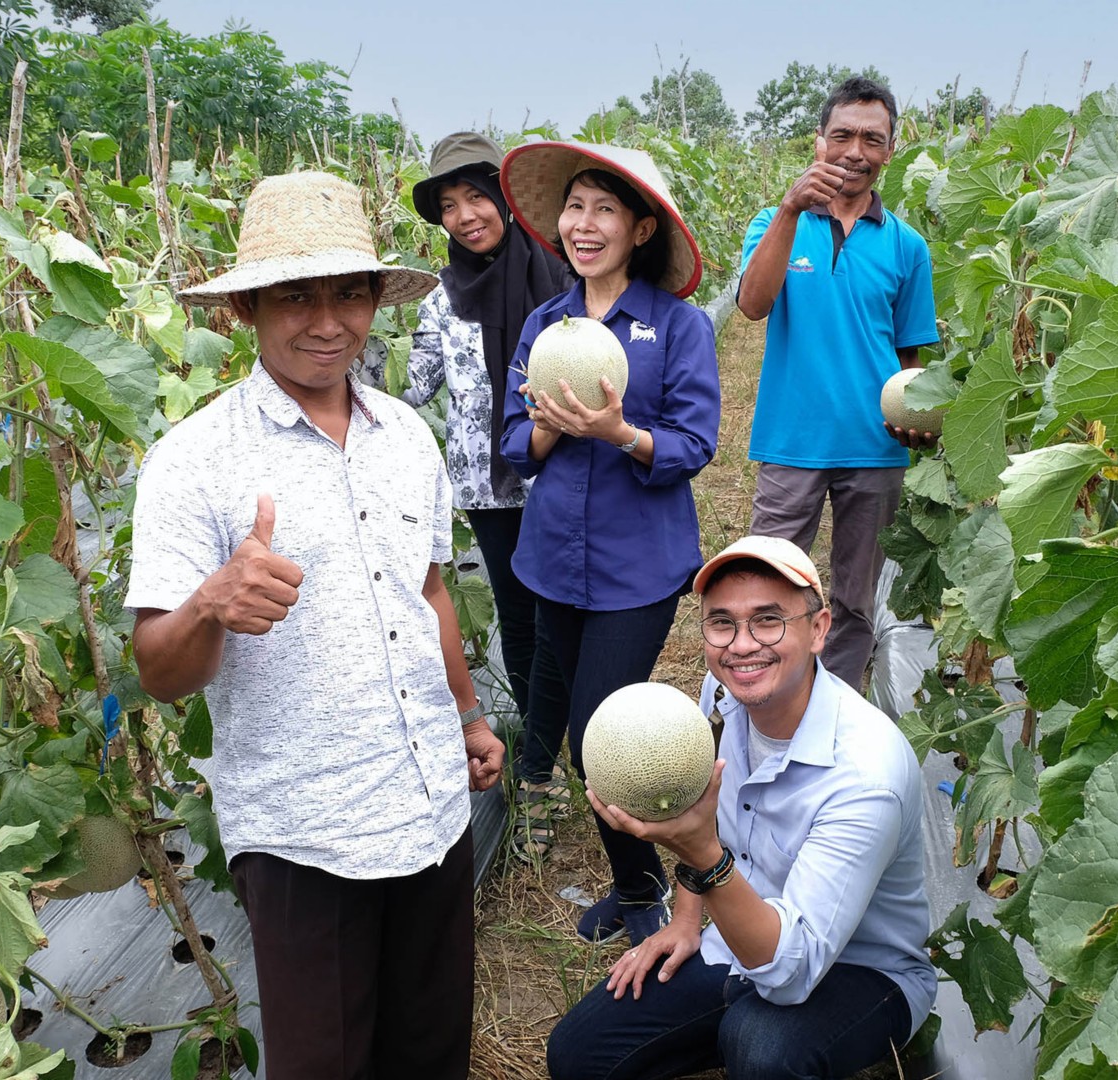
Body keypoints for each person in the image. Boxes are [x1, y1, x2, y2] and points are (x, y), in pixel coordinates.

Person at [126, 170, 506, 1080]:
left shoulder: (406, 436)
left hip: (429, 808)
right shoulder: (193, 462)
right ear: (246, 310)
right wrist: (212, 603)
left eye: (347, 292)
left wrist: (467, 716)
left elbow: (430, 594)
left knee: (429, 1051)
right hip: (306, 831)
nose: (326, 320)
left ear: (377, 300)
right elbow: (158, 671)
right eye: (295, 296)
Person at [546, 535, 936, 1080]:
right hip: (740, 932)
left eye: (769, 620)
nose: (742, 645)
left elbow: (793, 971)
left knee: (759, 1046)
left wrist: (698, 849)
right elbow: (704, 804)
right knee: (579, 1055)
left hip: (862, 968)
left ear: (818, 629)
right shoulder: (723, 693)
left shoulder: (866, 776)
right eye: (722, 622)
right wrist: (685, 920)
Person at [498, 142, 720, 944]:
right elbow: (513, 443)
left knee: (602, 738)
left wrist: (621, 432)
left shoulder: (678, 326)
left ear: (639, 227)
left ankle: (656, 890)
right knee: (584, 734)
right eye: (574, 209)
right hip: (551, 559)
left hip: (639, 569)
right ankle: (638, 890)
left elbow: (695, 444)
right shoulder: (545, 325)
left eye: (604, 210)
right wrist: (554, 432)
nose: (583, 226)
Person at [736, 76, 940, 688]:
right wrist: (792, 208)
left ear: (890, 149)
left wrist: (921, 423)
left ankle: (838, 707)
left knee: (854, 598)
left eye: (871, 139)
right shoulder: (776, 222)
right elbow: (752, 304)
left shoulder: (907, 246)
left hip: (875, 446)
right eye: (843, 135)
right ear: (819, 140)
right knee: (767, 584)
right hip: (792, 440)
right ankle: (761, 700)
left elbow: (910, 357)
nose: (856, 150)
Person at [407, 132, 576, 862]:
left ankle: (556, 751)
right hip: (492, 486)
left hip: (568, 476)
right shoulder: (442, 300)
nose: (466, 215)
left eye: (477, 195)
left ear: (505, 197)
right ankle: (540, 772)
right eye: (449, 206)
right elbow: (411, 385)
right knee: (519, 622)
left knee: (565, 617)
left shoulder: (565, 277)